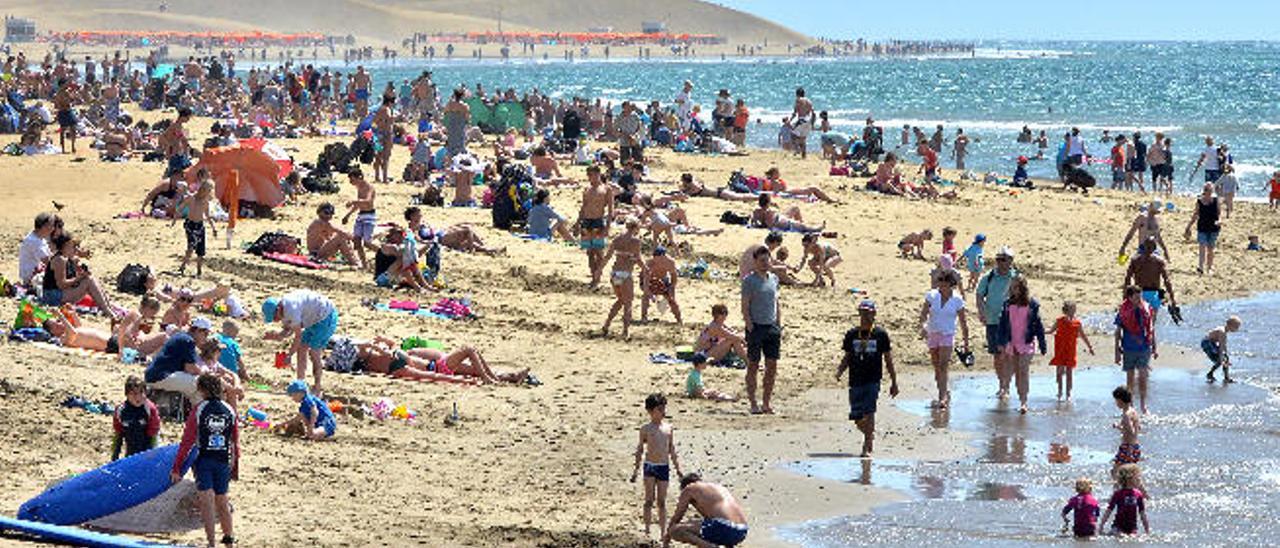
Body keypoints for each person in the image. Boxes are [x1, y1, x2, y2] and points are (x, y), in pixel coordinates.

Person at [171, 373, 238, 548]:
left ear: (201, 390)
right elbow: (235, 441)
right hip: (223, 460)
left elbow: (187, 441)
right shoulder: (230, 410)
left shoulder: (199, 409)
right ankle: (229, 541)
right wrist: (235, 466)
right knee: (222, 501)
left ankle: (211, 543)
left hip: (204, 461)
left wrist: (177, 467)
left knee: (207, 502)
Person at [837, 299, 898, 457]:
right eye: (862, 312)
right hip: (855, 380)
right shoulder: (852, 334)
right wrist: (840, 371)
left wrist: (894, 382)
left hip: (873, 380)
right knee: (857, 416)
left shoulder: (880, 335)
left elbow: (888, 359)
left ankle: (867, 445)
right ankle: (869, 434)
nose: (865, 316)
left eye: (868, 312)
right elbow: (848, 356)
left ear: (874, 314)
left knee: (869, 411)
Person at [263, 290, 339, 394]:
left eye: (275, 318)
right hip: (312, 318)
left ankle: (317, 387)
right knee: (302, 348)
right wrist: (277, 336)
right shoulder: (283, 310)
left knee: (314, 353)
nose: (276, 321)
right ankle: (300, 384)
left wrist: (289, 355)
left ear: (278, 309)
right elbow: (288, 331)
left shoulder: (291, 309)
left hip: (326, 316)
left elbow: (297, 337)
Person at [631, 393, 684, 540]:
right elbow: (640, 449)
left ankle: (663, 532)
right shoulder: (645, 429)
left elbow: (671, 449)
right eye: (660, 409)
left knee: (662, 501)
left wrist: (678, 469)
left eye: (664, 408)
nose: (663, 412)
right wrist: (636, 469)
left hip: (663, 466)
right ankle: (647, 530)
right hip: (650, 466)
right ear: (651, 411)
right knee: (649, 500)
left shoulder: (668, 428)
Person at [993, 277, 1046, 414]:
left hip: (1026, 343)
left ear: (1023, 288)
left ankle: (1024, 402)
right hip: (1012, 343)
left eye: (1017, 287)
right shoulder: (1007, 304)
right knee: (1016, 373)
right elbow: (1002, 325)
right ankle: (1018, 395)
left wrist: (1042, 343)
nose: (1014, 289)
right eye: (1012, 287)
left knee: (1023, 370)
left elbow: (1038, 325)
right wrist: (1000, 343)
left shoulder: (1032, 304)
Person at [920, 270, 969, 409]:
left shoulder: (957, 300)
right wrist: (923, 326)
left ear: (952, 285)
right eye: (940, 284)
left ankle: (942, 397)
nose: (942, 287)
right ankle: (944, 390)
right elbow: (923, 315)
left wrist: (966, 343)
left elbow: (963, 322)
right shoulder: (931, 296)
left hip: (947, 334)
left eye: (945, 285)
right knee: (936, 366)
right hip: (933, 333)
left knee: (943, 365)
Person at [742, 246, 782, 415]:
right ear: (755, 262)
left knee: (771, 366)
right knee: (753, 365)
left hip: (772, 327)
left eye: (767, 260)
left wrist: (779, 323)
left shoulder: (773, 278)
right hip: (756, 327)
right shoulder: (749, 281)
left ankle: (766, 402)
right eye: (762, 260)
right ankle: (753, 402)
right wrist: (749, 324)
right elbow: (745, 305)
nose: (765, 263)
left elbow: (777, 302)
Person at [41, 233, 120, 320]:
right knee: (88, 281)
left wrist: (80, 272)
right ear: (65, 247)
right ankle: (108, 312)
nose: (76, 250)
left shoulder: (67, 258)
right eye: (73, 247)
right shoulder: (59, 260)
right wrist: (79, 278)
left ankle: (108, 308)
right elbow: (61, 284)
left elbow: (70, 279)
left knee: (91, 278)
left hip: (58, 293)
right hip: (52, 297)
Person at [977, 246, 1019, 400]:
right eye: (998, 259)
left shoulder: (1016, 277)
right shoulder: (989, 277)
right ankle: (1002, 384)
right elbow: (979, 295)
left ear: (1010, 261)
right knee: (996, 354)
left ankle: (1006, 385)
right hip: (992, 320)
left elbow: (1024, 298)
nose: (1000, 263)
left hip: (1011, 322)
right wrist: (981, 312)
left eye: (1003, 259)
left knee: (1007, 354)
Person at [663, 473, 748, 548]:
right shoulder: (719, 488)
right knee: (704, 528)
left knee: (675, 530)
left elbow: (677, 517)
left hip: (725, 528)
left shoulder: (689, 488)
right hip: (742, 531)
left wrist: (667, 537)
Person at [145, 317, 213, 398]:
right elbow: (190, 369)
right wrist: (206, 374)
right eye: (205, 334)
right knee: (204, 385)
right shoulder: (188, 340)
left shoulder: (181, 336)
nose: (206, 337)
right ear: (198, 330)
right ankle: (201, 409)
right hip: (161, 376)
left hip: (155, 375)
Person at [1114, 287, 1155, 414]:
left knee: (1143, 376)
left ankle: (1143, 404)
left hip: (1144, 347)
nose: (1139, 300)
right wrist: (1116, 350)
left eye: (1140, 297)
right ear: (1130, 297)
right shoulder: (1123, 311)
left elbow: (1151, 328)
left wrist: (1155, 346)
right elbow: (1117, 331)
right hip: (1129, 348)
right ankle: (1130, 404)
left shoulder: (1146, 309)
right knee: (1130, 378)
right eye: (1136, 297)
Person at [601, 218, 644, 338]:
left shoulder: (617, 239)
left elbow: (608, 256)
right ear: (635, 228)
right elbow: (638, 258)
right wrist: (645, 269)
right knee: (628, 303)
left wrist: (599, 270)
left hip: (615, 274)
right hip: (625, 274)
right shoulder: (636, 241)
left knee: (620, 300)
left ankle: (606, 325)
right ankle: (625, 331)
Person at [1047, 302, 1094, 401]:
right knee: (1059, 372)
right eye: (1072, 309)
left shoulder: (1077, 323)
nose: (1073, 311)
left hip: (1070, 351)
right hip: (1060, 350)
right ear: (1066, 310)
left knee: (1069, 372)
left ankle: (1068, 394)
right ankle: (1060, 391)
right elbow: (1051, 331)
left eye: (1074, 309)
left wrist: (1090, 347)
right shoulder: (1059, 321)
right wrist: (1038, 332)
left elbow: (1083, 335)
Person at [1124, 237, 1178, 322]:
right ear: (1155, 248)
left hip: (1139, 294)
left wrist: (1126, 296)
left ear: (1143, 246)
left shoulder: (1135, 260)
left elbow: (1127, 279)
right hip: (1154, 294)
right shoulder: (1159, 261)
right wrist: (1172, 298)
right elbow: (1166, 281)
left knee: (1140, 321)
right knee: (1151, 323)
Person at [578, 165, 616, 288]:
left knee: (599, 252)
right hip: (587, 222)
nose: (590, 178)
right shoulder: (587, 189)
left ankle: (597, 277)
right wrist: (578, 221)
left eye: (592, 175)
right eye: (588, 175)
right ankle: (593, 275)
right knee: (589, 252)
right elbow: (584, 207)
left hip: (598, 221)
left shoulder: (606, 189)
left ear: (598, 174)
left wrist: (608, 226)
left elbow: (611, 210)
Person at [111, 376, 161, 461]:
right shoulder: (121, 410)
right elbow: (118, 435)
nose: (138, 397)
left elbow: (154, 435)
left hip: (147, 447)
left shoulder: (149, 409)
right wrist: (114, 456)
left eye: (141, 392)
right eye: (133, 393)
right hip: (130, 448)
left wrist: (151, 454)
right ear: (126, 395)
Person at [174, 179, 217, 276]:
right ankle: (183, 266)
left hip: (200, 226)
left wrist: (213, 228)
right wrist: (175, 219)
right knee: (191, 247)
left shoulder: (205, 202)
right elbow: (180, 208)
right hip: (190, 225)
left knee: (201, 251)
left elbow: (208, 215)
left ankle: (199, 271)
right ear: (203, 189)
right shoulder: (191, 198)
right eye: (208, 190)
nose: (209, 193)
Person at [1099, 463, 1150, 536]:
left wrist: (1147, 530)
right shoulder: (1118, 494)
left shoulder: (1138, 494)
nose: (1139, 480)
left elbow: (1142, 513)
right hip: (1117, 526)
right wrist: (1101, 526)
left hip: (1132, 527)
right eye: (1137, 478)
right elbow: (1109, 510)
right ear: (1129, 479)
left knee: (1132, 537)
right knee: (1119, 535)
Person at [342, 168, 377, 270]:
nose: (351, 182)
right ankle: (365, 264)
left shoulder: (369, 188)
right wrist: (348, 215)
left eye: (352, 180)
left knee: (367, 243)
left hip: (369, 216)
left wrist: (353, 201)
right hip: (361, 215)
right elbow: (358, 205)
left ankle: (385, 255)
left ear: (359, 178)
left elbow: (368, 202)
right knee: (356, 241)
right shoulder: (359, 188)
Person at [1183, 182, 1222, 275]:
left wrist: (1220, 221)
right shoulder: (1199, 201)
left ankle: (1210, 267)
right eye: (1205, 190)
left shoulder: (1216, 200)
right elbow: (1195, 215)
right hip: (1202, 227)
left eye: (1209, 190)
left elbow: (1219, 214)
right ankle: (1200, 267)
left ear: (1212, 191)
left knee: (1210, 249)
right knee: (1202, 246)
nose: (1207, 192)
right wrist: (1188, 226)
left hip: (1214, 227)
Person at [307, 203, 360, 267]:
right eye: (326, 213)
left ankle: (354, 260)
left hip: (320, 252)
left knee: (342, 238)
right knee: (341, 237)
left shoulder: (323, 224)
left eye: (331, 213)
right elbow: (342, 232)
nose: (328, 215)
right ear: (319, 212)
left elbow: (330, 238)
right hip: (315, 254)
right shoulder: (320, 222)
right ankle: (355, 262)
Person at [43, 312, 119, 354]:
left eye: (58, 322)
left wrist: (73, 313)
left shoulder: (69, 331)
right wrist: (61, 316)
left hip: (111, 338)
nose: (59, 325)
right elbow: (73, 333)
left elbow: (79, 327)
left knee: (117, 327)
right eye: (56, 326)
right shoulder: (63, 339)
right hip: (110, 344)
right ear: (52, 332)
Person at [641, 246, 681, 325]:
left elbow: (674, 278)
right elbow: (645, 281)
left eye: (658, 258)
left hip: (664, 279)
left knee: (672, 300)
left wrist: (671, 289)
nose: (656, 260)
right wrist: (649, 293)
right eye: (655, 258)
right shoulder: (650, 263)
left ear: (663, 256)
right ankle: (644, 317)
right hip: (650, 280)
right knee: (645, 296)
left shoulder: (670, 263)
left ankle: (679, 319)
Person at [18, 212, 56, 286]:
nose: (53, 228)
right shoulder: (34, 241)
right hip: (32, 277)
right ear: (44, 226)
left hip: (37, 271)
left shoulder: (38, 236)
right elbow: (48, 261)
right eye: (51, 225)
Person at [1203, 316, 1242, 383]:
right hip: (1207, 343)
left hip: (1212, 343)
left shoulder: (1224, 332)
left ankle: (1226, 378)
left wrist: (1226, 354)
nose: (1237, 329)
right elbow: (1221, 346)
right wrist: (1221, 356)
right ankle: (1210, 374)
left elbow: (1224, 345)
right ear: (1230, 325)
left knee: (1225, 358)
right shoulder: (1222, 332)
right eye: (1236, 327)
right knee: (1220, 359)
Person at [789, 87, 815, 159]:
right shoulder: (809, 101)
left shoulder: (798, 100)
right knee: (803, 139)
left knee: (792, 135)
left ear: (797, 94)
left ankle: (797, 149)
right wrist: (812, 124)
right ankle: (804, 155)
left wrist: (790, 120)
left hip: (802, 119)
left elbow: (795, 112)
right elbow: (813, 113)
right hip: (808, 120)